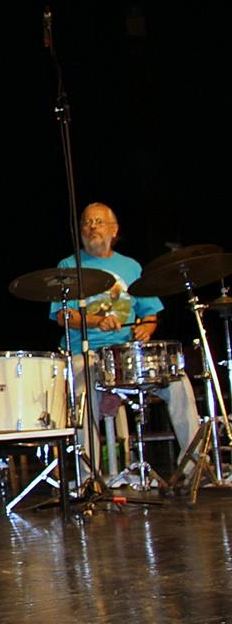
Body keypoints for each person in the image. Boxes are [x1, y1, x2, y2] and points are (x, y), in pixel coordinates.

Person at [49, 201, 201, 473]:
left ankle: (193, 467)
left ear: (114, 229)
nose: (92, 227)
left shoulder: (130, 266)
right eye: (87, 222)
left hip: (128, 357)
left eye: (98, 221)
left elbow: (150, 314)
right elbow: (63, 316)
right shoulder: (69, 265)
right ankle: (89, 476)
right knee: (81, 395)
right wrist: (97, 320)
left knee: (178, 382)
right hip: (87, 354)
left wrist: (146, 329)